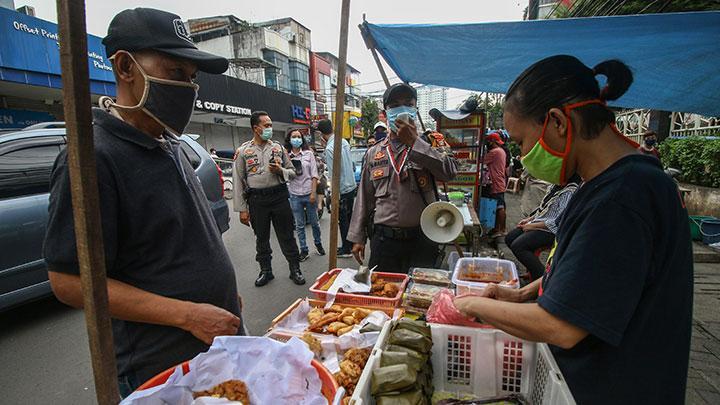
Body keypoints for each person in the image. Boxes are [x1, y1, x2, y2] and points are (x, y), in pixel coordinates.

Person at [454, 55, 693, 404]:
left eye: (522, 142)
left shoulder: (622, 199)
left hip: (615, 387)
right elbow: (588, 274)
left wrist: (471, 304)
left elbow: (560, 327)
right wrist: (521, 294)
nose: (522, 155)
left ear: (557, 123)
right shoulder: (614, 181)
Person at [43, 8, 243, 397]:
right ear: (125, 67)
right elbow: (69, 281)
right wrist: (188, 315)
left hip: (217, 343)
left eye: (191, 78)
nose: (187, 87)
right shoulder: (91, 157)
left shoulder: (169, 141)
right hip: (161, 368)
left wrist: (222, 293)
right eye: (174, 73)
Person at [348, 83, 457, 273]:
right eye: (394, 105)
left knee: (420, 297)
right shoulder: (374, 152)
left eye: (408, 103)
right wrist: (358, 236)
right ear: (385, 112)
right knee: (385, 296)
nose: (402, 109)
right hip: (384, 241)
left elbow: (450, 173)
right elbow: (364, 198)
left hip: (423, 239)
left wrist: (415, 143)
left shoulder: (433, 141)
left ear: (415, 108)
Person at [233, 111, 305, 286]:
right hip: (257, 200)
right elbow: (238, 181)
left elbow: (293, 173)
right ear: (255, 128)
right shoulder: (243, 151)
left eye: (270, 125)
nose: (270, 129)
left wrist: (280, 171)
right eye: (266, 126)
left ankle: (295, 269)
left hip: (279, 196)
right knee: (262, 238)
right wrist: (242, 209)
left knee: (287, 235)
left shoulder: (278, 148)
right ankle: (266, 271)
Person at [505, 174, 581, 280]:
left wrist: (532, 226)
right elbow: (543, 209)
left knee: (518, 246)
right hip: (540, 223)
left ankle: (540, 277)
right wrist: (529, 219)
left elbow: (556, 222)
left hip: (552, 230)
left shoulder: (570, 191)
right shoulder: (554, 187)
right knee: (510, 237)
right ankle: (533, 269)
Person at [318, 118, 357, 258]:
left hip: (341, 189)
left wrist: (335, 194)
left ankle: (347, 249)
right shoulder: (343, 141)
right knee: (349, 218)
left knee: (342, 220)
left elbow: (334, 173)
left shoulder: (330, 148)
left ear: (321, 133)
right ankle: (352, 244)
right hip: (351, 186)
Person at [285, 129, 325, 261]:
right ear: (289, 140)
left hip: (309, 193)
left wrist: (313, 193)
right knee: (299, 225)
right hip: (294, 194)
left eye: (298, 137)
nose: (296, 139)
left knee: (314, 222)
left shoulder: (308, 154)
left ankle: (318, 243)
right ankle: (304, 249)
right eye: (294, 137)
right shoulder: (286, 156)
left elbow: (314, 174)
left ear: (302, 139)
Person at [483, 131, 508, 237]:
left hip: (496, 182)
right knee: (499, 206)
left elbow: (481, 161)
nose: (487, 143)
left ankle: (501, 229)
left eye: (488, 141)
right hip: (499, 181)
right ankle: (497, 228)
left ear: (493, 141)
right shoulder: (501, 151)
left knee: (500, 207)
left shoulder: (495, 152)